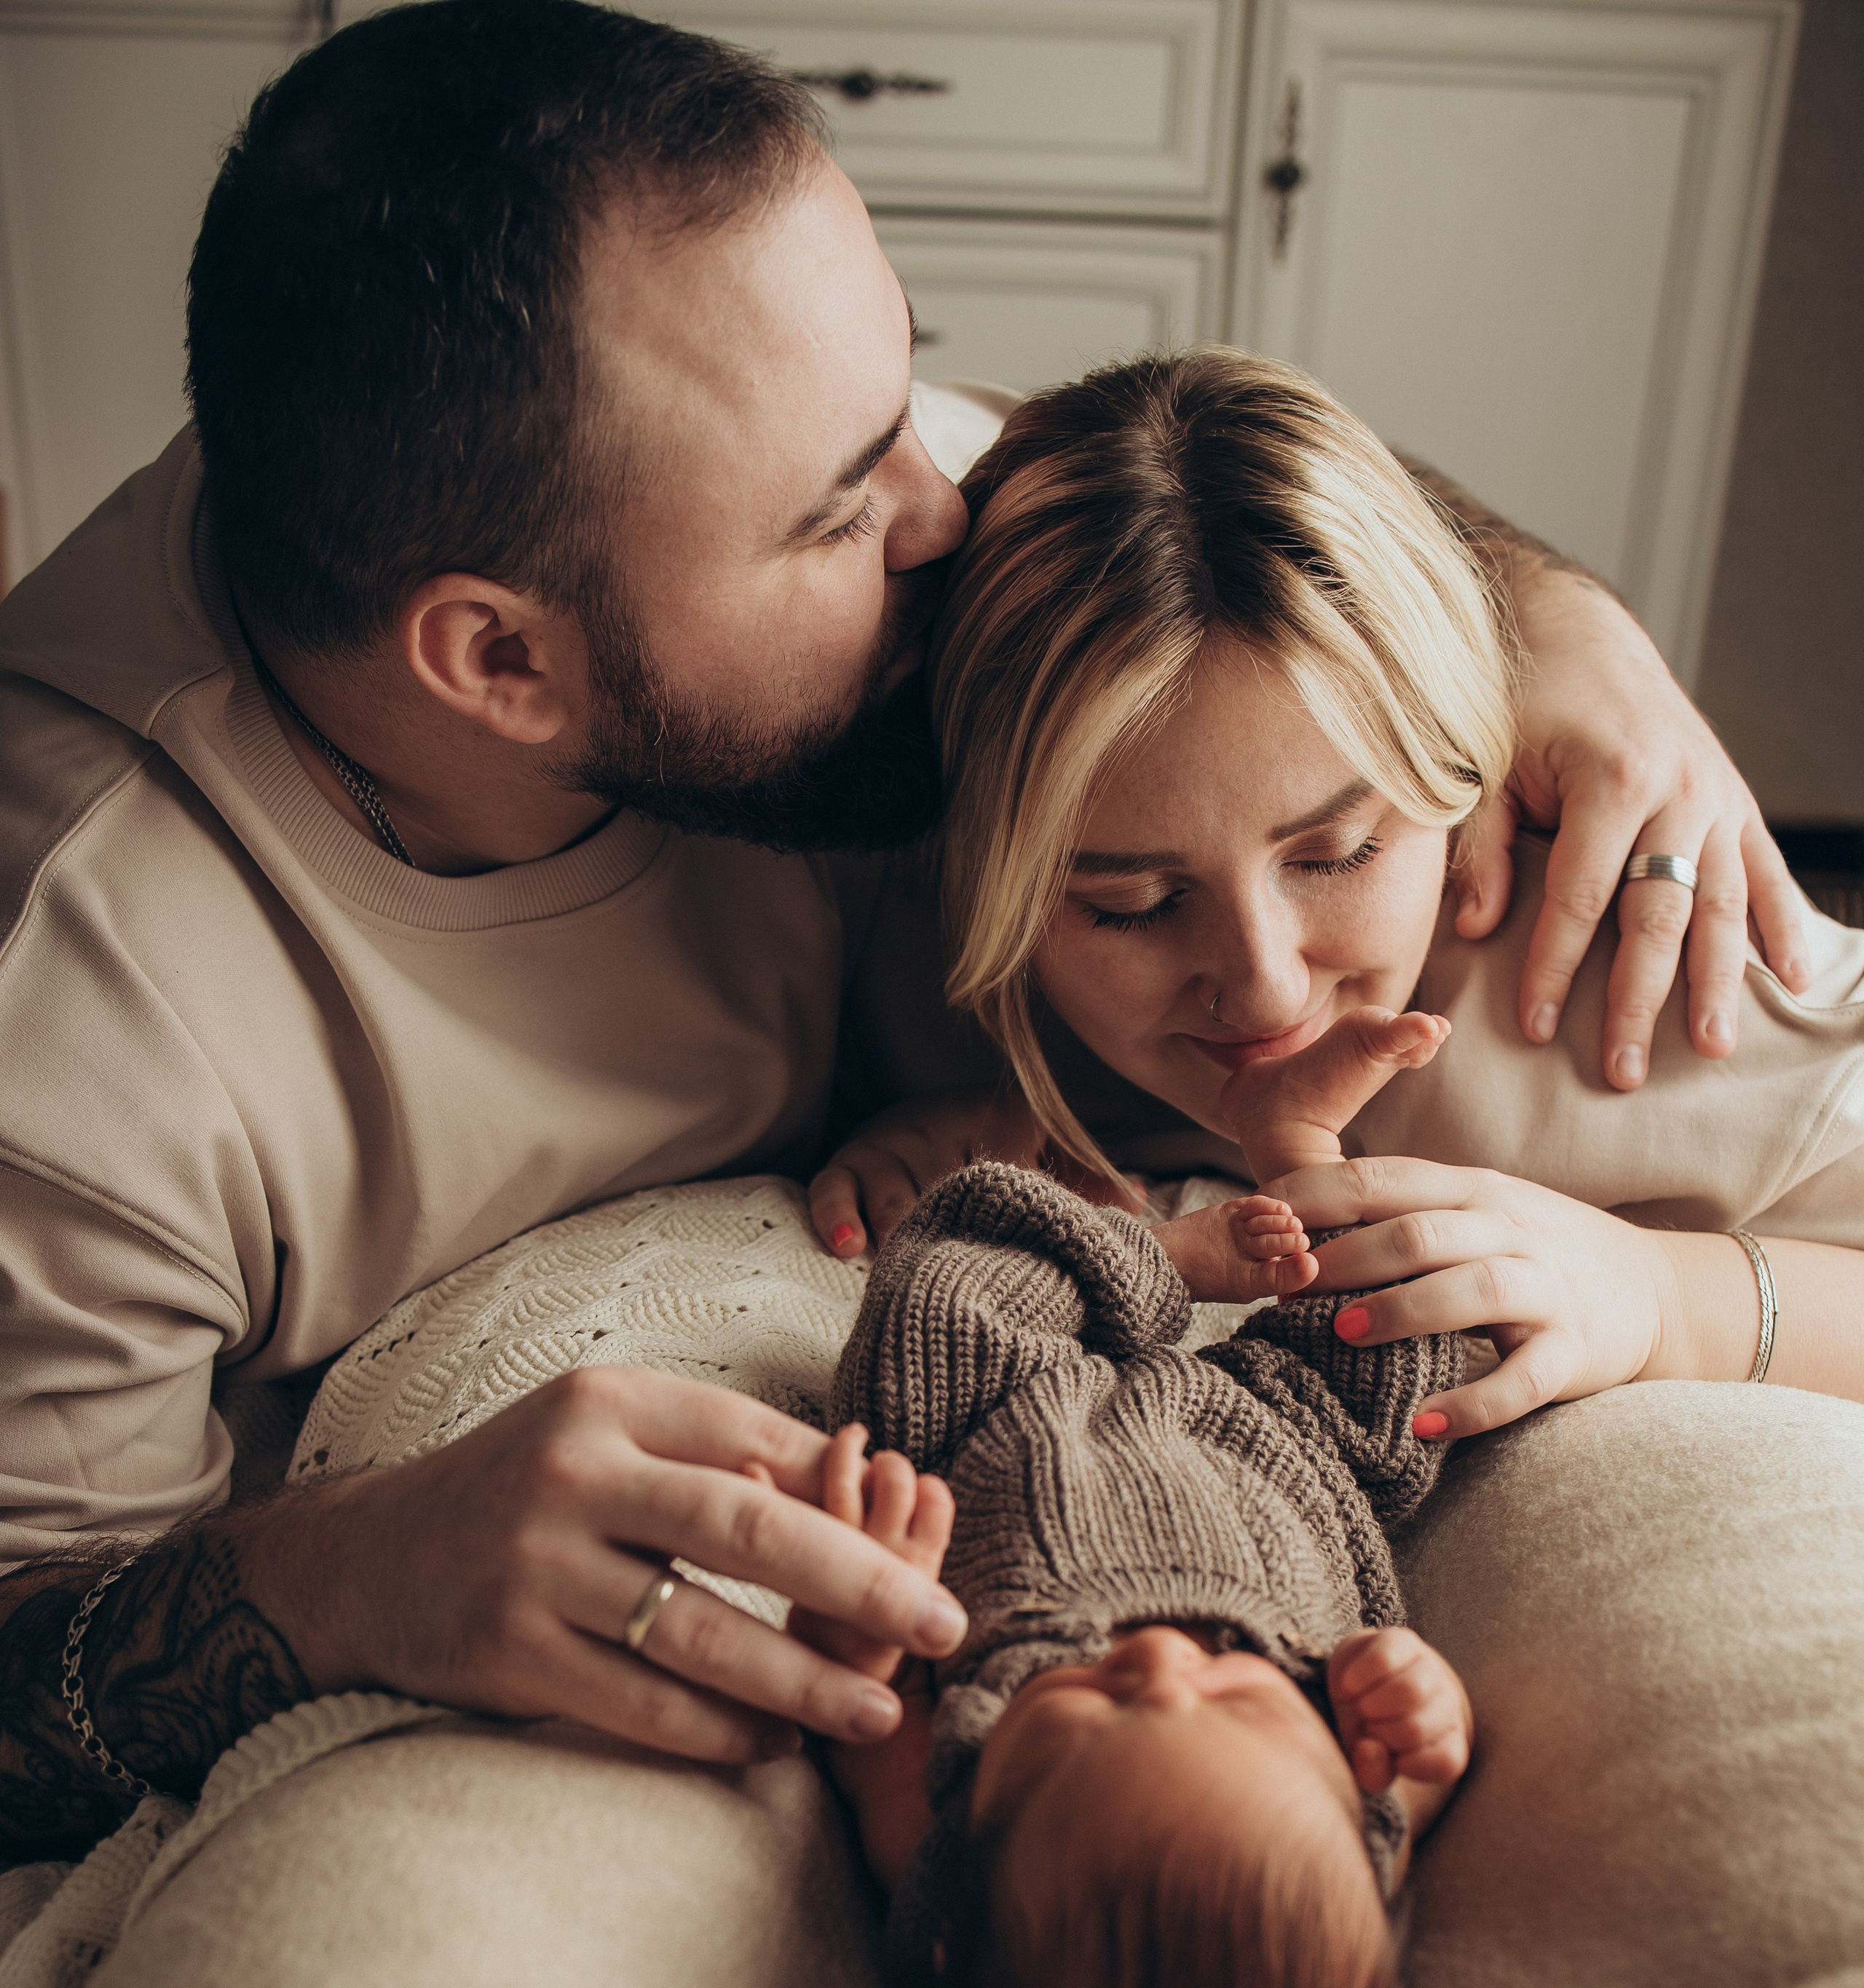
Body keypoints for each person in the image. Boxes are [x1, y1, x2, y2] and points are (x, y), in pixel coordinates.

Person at [0, 1, 1806, 1865]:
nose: (947, 502)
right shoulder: (80, 1017)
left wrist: (1556, 623)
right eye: (842, 508)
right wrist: (337, 1580)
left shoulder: (792, 484)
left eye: (904, 398)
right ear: (502, 659)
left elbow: (1203, 501)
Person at [813, 351, 1864, 1438]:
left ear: (1464, 765)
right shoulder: (912, 964)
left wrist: (1665, 1299)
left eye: (1342, 853)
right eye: (1131, 905)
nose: (1267, 992)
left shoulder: (1643, 987)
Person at [790, 994, 1475, 1988]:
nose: (1159, 1666)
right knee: (1422, 1327)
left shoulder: (940, 1878)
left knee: (937, 1288)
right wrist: (1420, 1717)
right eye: (1241, 1709)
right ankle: (1299, 1139)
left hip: (1008, 1428)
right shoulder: (1358, 1833)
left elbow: (866, 1734)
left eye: (1081, 1724)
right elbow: (1414, 1773)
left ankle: (1159, 1260)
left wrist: (860, 1624)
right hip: (1287, 1454)